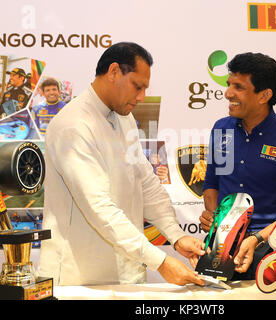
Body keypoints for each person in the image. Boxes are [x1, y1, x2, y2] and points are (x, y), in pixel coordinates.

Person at [38, 42, 206, 286]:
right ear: (114, 72)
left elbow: (145, 182)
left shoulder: (124, 118)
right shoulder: (73, 126)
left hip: (126, 274)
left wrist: (177, 236)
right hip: (80, 278)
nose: (141, 97)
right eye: (137, 87)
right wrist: (160, 262)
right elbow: (99, 208)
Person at [199, 52, 276, 280]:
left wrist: (256, 239)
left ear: (264, 95)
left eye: (238, 87)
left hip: (271, 251)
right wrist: (213, 217)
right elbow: (212, 181)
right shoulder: (222, 129)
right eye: (229, 84)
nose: (228, 93)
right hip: (220, 248)